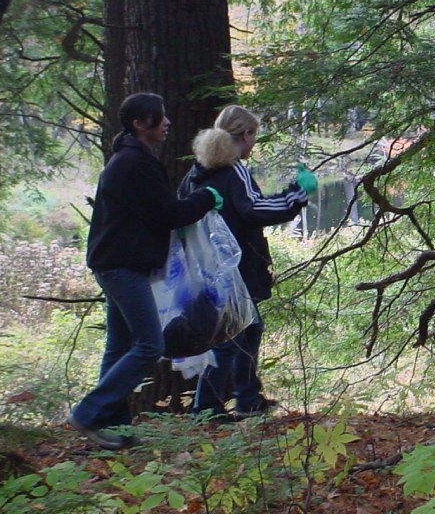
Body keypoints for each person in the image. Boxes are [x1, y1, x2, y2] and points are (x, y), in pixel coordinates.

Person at [68, 92, 223, 450]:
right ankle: (88, 413)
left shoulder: (130, 159)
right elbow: (167, 214)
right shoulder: (134, 163)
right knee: (150, 345)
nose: (167, 122)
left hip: (115, 263)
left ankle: (111, 423)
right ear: (141, 124)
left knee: (119, 345)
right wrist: (205, 198)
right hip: (122, 267)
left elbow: (153, 212)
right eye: (161, 117)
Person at [179, 105, 316, 421]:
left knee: (250, 329)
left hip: (204, 270)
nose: (254, 143)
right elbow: (255, 209)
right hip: (232, 271)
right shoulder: (234, 171)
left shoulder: (195, 173)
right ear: (244, 135)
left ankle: (247, 399)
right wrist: (297, 193)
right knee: (229, 338)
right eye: (254, 135)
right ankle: (207, 408)